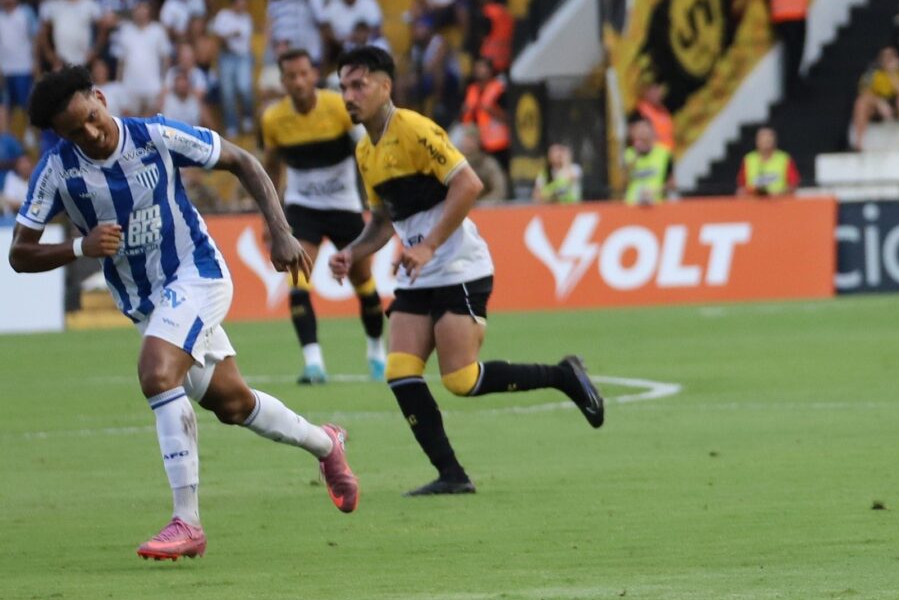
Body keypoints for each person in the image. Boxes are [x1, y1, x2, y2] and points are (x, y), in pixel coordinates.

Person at [9, 66, 361, 559]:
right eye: (74, 132)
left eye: (91, 117)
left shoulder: (154, 134)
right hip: (147, 304)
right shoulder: (57, 171)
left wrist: (280, 229)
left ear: (100, 97)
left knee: (156, 373)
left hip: (197, 274)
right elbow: (19, 255)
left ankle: (187, 522)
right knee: (233, 404)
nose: (90, 133)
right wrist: (79, 246)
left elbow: (243, 161)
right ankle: (326, 444)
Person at [336, 45, 603, 496]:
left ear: (386, 87)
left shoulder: (416, 130)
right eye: (343, 85)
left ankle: (563, 375)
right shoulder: (365, 151)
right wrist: (353, 251)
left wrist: (430, 246)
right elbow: (383, 221)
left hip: (458, 264)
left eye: (358, 84)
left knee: (460, 380)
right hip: (418, 271)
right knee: (400, 370)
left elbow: (469, 184)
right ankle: (452, 475)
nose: (348, 94)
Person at [260, 46, 388, 386]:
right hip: (303, 208)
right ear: (283, 81)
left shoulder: (338, 107)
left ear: (314, 75)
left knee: (363, 281)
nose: (299, 81)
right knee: (298, 278)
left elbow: (368, 150)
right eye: (291, 76)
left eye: (304, 74)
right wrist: (269, 219)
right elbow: (269, 167)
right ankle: (313, 363)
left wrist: (379, 202)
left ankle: (376, 352)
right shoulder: (274, 119)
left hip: (345, 206)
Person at [622, 116, 672, 201]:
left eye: (644, 129)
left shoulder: (664, 154)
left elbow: (672, 184)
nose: (641, 133)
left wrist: (655, 191)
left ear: (652, 131)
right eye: (638, 130)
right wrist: (635, 157)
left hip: (656, 205)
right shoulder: (628, 154)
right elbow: (622, 183)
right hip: (632, 205)